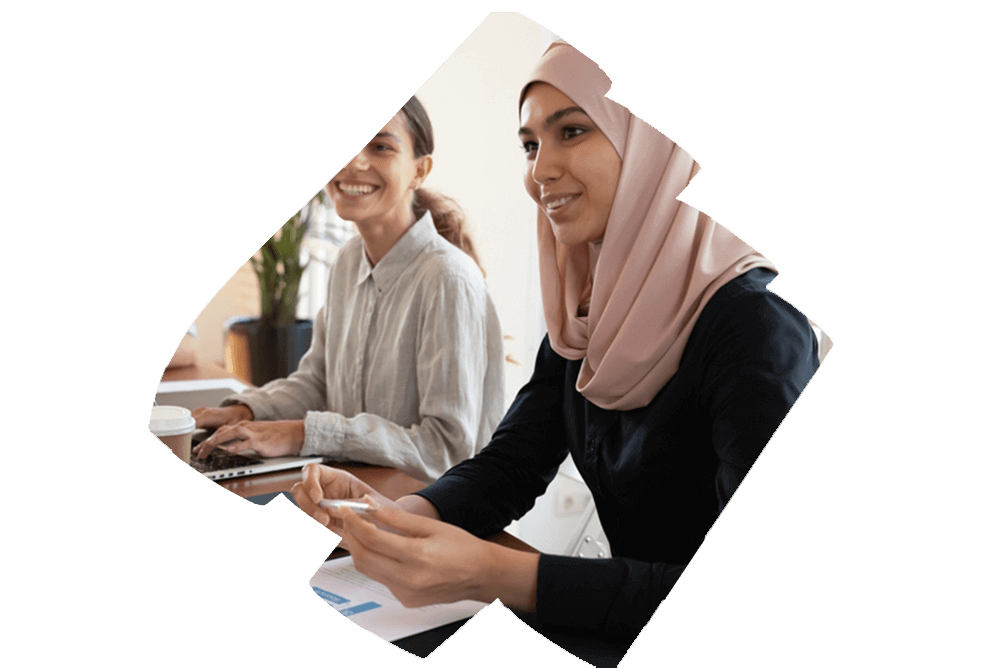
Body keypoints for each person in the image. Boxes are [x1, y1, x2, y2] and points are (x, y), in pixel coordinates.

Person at [291, 42, 828, 642]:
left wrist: (497, 573)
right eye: (530, 145)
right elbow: (513, 462)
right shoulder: (585, 312)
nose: (539, 170)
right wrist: (399, 516)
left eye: (572, 130)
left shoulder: (758, 328)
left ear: (656, 149)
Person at [191, 97, 506, 485]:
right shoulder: (349, 260)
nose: (356, 162)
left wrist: (304, 433)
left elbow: (445, 449)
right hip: (354, 496)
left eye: (381, 146)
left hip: (421, 517)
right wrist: (246, 410)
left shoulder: (447, 279)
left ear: (419, 170)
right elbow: (317, 381)